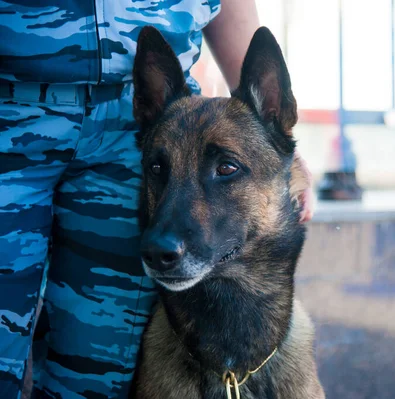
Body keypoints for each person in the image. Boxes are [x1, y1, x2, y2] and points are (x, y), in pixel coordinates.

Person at [0, 1, 314, 397]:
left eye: (227, 170)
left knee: (94, 379)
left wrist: (263, 129)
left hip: (125, 133)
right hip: (10, 108)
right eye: (161, 173)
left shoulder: (244, 131)